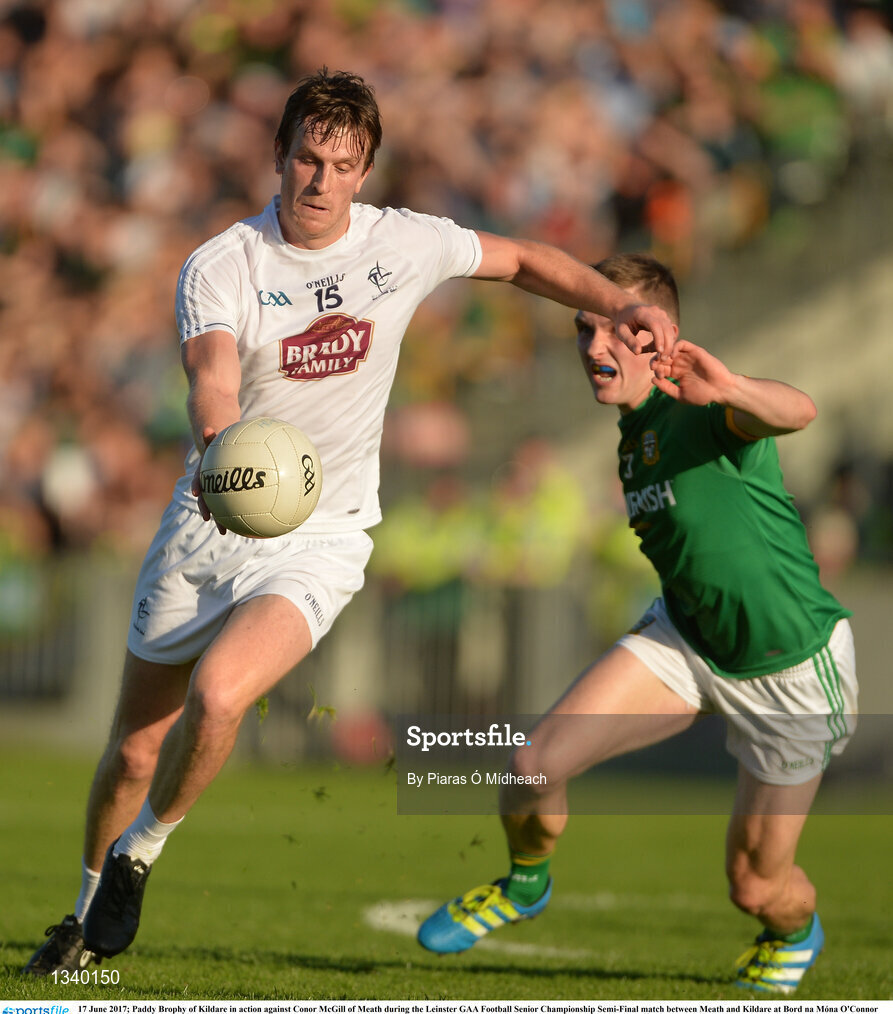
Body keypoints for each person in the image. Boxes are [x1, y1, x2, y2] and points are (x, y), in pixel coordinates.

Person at [21, 72, 676, 976]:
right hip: (212, 524)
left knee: (220, 696)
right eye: (307, 158)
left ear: (365, 172)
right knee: (133, 748)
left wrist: (616, 306)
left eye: (342, 164)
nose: (322, 180)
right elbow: (210, 371)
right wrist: (221, 441)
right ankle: (85, 915)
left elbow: (523, 260)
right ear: (278, 158)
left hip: (322, 536)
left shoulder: (402, 243)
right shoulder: (224, 262)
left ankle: (142, 853)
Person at [417, 253, 857, 996]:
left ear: (660, 336)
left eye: (614, 331)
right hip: (685, 641)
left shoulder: (705, 408)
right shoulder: (632, 439)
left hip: (791, 669)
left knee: (755, 887)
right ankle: (526, 883)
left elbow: (797, 410)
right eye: (584, 328)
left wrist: (734, 387)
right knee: (530, 767)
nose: (593, 347)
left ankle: (794, 931)